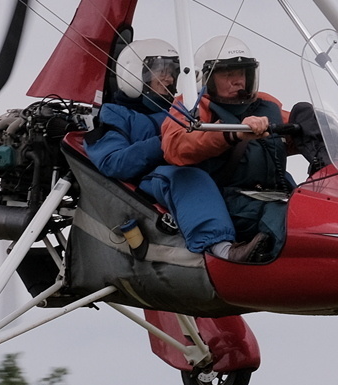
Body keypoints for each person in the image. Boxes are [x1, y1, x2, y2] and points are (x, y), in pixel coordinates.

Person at [84, 39, 255, 262]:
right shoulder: (116, 114)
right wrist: (165, 142)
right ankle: (221, 248)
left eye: (172, 71)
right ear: (133, 74)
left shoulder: (185, 108)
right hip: (152, 179)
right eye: (159, 71)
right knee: (188, 177)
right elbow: (113, 163)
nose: (169, 78)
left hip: (198, 169)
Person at [160, 35, 299, 262]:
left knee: (309, 210)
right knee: (285, 218)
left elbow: (295, 132)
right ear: (207, 78)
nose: (239, 81)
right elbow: (176, 146)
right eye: (228, 74)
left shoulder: (265, 106)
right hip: (228, 198)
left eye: (243, 73)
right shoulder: (193, 106)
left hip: (273, 196)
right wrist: (231, 133)